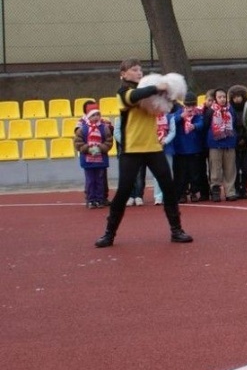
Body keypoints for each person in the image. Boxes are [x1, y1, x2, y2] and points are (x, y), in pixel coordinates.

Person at [94, 58, 193, 247]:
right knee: (123, 192)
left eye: (140, 69)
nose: (139, 72)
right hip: (132, 149)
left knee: (169, 188)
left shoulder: (150, 93)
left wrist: (171, 94)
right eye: (133, 69)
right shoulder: (124, 92)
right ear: (123, 74)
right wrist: (158, 87)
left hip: (153, 148)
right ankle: (109, 234)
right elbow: (134, 96)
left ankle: (176, 230)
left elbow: (173, 106)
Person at [171, 92, 210, 203]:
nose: (190, 108)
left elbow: (202, 123)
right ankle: (182, 193)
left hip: (195, 149)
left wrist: (194, 126)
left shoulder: (198, 115)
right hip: (180, 150)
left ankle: (194, 192)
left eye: (192, 105)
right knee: (181, 174)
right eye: (188, 106)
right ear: (184, 105)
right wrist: (180, 117)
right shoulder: (178, 113)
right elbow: (170, 122)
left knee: (195, 173)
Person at [74, 102, 113, 209]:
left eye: (97, 115)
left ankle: (101, 199)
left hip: (101, 160)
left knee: (100, 180)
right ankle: (91, 199)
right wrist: (88, 148)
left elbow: (109, 142)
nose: (96, 117)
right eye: (93, 115)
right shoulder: (82, 128)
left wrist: (100, 148)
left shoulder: (104, 127)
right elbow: (78, 143)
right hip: (88, 160)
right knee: (90, 180)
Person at [206, 87, 238, 202]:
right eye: (219, 97)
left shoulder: (231, 110)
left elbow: (235, 124)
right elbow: (205, 126)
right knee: (215, 169)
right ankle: (215, 190)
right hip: (215, 144)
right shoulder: (210, 111)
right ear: (215, 99)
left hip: (229, 143)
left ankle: (230, 192)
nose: (222, 99)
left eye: (224, 97)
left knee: (230, 169)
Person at [229, 85, 247, 199]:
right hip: (234, 142)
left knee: (245, 169)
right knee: (236, 168)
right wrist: (237, 138)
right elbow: (230, 126)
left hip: (246, 142)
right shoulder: (230, 109)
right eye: (235, 97)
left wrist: (244, 138)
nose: (237, 99)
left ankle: (245, 189)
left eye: (239, 96)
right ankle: (237, 188)